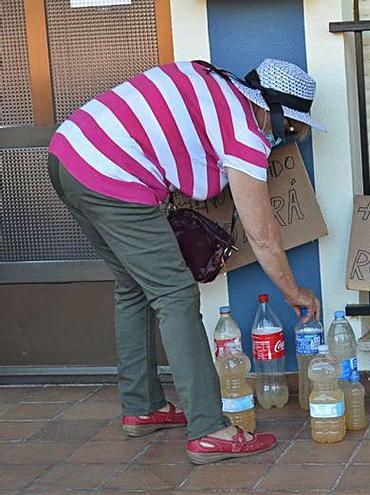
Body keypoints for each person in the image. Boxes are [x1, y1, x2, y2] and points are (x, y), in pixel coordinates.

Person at [47, 58, 323, 464]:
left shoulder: (214, 82)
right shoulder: (245, 132)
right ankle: (210, 430)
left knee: (133, 287)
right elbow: (263, 237)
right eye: (290, 129)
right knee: (175, 294)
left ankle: (143, 406)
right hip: (111, 172)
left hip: (68, 154)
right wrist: (293, 292)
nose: (287, 139)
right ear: (272, 110)